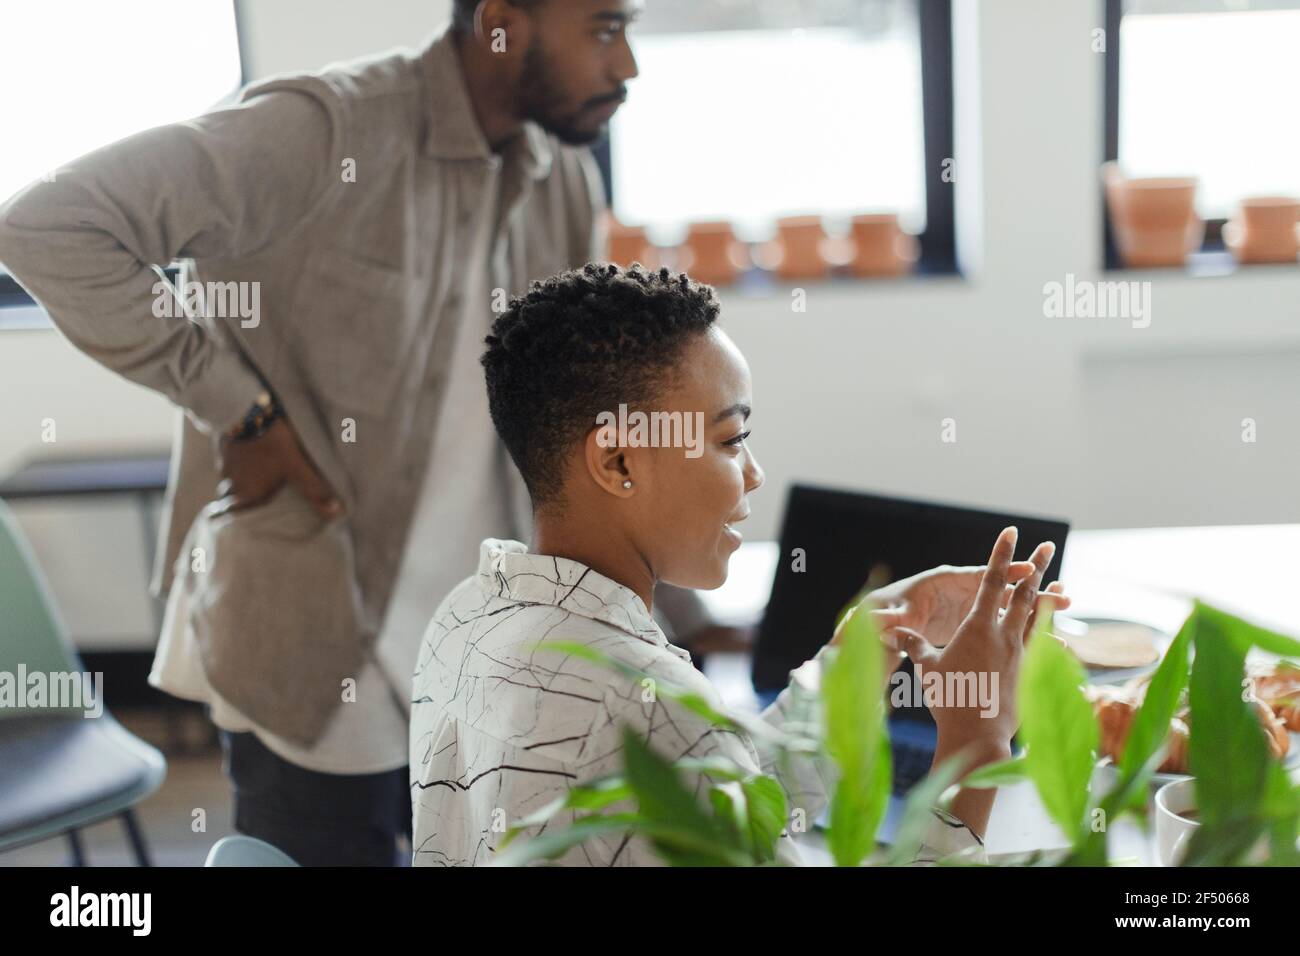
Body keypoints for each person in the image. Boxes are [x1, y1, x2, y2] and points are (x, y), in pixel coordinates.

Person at [0, 1, 726, 866]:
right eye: (604, 30)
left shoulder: (562, 178)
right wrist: (237, 407)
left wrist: (668, 598)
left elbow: (582, 418)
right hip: (312, 645)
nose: (628, 66)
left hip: (480, 650)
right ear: (503, 20)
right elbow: (46, 226)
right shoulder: (319, 131)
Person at [409, 262, 1070, 865]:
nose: (753, 474)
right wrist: (976, 743)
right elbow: (699, 763)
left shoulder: (464, 617)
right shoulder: (651, 712)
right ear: (617, 462)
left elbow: (729, 799)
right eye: (731, 439)